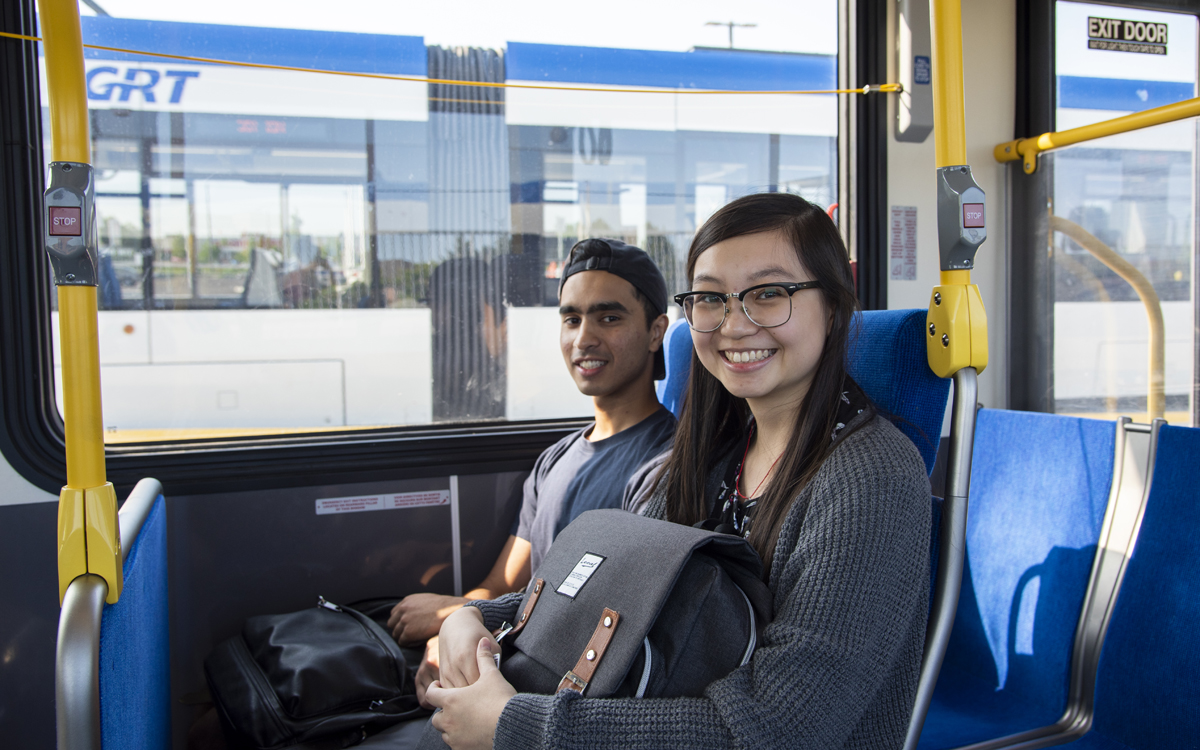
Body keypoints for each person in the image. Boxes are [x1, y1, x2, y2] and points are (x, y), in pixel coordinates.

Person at [424, 193, 932, 750]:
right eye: (712, 299)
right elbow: (603, 586)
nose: (734, 326)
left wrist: (515, 726)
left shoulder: (872, 479)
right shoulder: (700, 459)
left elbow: (782, 730)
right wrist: (473, 621)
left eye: (768, 294)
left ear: (833, 307)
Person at [389, 238, 676, 707]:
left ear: (655, 332)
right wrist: (460, 614)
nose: (583, 338)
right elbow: (504, 583)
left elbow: (595, 620)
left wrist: (455, 618)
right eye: (571, 319)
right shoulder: (554, 459)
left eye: (609, 317)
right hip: (508, 647)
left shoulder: (665, 465)